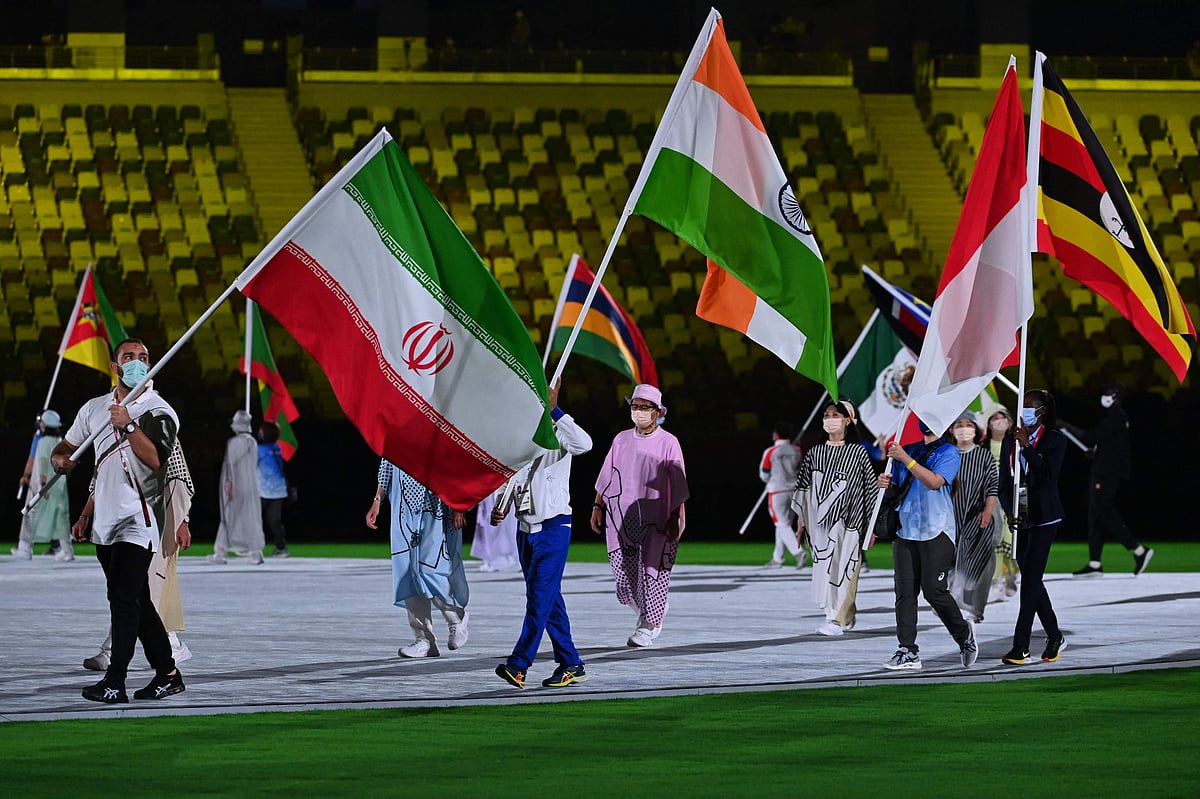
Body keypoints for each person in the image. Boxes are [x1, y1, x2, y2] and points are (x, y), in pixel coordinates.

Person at [51, 337, 185, 703]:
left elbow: (155, 460)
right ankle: (168, 674)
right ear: (115, 366)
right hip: (105, 521)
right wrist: (59, 461)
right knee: (135, 598)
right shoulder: (95, 408)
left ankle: (115, 681)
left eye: (144, 357)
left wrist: (128, 426)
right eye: (129, 356)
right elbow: (67, 448)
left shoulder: (159, 411)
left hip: (139, 518)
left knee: (123, 599)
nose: (137, 362)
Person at [494, 378, 593, 689]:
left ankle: (519, 664)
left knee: (538, 600)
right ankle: (571, 663)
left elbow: (585, 444)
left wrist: (556, 411)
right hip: (525, 530)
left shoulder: (558, 434)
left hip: (553, 528)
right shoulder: (517, 438)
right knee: (549, 599)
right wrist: (501, 505)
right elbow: (510, 480)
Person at [82, 439, 195, 670]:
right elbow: (99, 480)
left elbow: (178, 477)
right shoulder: (107, 434)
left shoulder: (159, 428)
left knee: (142, 583)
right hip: (125, 515)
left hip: (156, 514)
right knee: (131, 585)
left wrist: (182, 520)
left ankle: (114, 651)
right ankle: (170, 642)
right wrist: (85, 515)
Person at [591, 384, 688, 647]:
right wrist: (597, 506)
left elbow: (677, 483)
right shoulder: (621, 439)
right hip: (620, 516)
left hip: (657, 517)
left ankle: (649, 625)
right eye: (635, 406)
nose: (639, 411)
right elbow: (607, 474)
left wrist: (674, 517)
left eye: (645, 407)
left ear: (657, 411)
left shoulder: (669, 442)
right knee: (624, 579)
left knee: (652, 571)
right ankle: (654, 608)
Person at [877, 418, 977, 671]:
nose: (927, 423)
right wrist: (885, 485)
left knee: (934, 591)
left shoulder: (949, 452)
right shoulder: (907, 449)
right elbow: (897, 489)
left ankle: (963, 634)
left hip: (937, 528)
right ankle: (908, 650)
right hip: (906, 528)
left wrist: (906, 459)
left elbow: (934, 482)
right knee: (904, 592)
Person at [791, 400, 877, 636]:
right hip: (820, 524)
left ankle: (836, 620)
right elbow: (804, 488)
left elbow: (869, 489)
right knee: (826, 570)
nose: (830, 419)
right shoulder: (815, 453)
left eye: (835, 415)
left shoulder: (857, 453)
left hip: (851, 523)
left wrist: (872, 525)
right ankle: (842, 614)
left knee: (847, 570)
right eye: (826, 415)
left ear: (847, 420)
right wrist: (801, 522)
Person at [366, 461, 469, 658]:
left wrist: (459, 503)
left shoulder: (440, 438)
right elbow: (387, 465)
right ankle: (424, 639)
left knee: (430, 569)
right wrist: (377, 500)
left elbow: (455, 463)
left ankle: (456, 618)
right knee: (408, 573)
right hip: (403, 508)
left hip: (436, 505)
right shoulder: (395, 439)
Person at [998, 390, 1068, 665]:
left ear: (1042, 411)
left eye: (1030, 407)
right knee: (1032, 580)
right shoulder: (1009, 440)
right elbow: (1004, 482)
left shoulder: (1054, 440)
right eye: (1022, 406)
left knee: (1029, 581)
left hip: (1045, 517)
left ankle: (1021, 646)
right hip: (1021, 518)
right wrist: (1010, 512)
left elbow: (1048, 476)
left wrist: (1027, 447)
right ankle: (1055, 635)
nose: (1025, 411)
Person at [1062, 383, 1153, 577]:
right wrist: (1096, 452)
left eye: (1109, 393)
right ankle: (1095, 563)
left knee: (1104, 512)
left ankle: (1139, 550)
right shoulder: (1116, 418)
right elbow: (1109, 444)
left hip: (1106, 473)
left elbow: (1091, 437)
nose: (1105, 396)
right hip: (1104, 470)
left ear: (1117, 397)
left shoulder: (1116, 417)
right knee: (1095, 515)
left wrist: (1067, 427)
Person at [947, 412, 999, 623]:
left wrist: (988, 511)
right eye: (959, 424)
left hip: (976, 516)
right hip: (949, 516)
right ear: (952, 430)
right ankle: (950, 602)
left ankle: (975, 608)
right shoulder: (947, 454)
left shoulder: (984, 456)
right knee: (949, 560)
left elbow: (992, 486)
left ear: (976, 430)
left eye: (969, 424)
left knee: (979, 560)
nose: (964, 428)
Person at [13, 410, 74, 561]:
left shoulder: (42, 442)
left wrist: (43, 485)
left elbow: (41, 462)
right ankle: (67, 551)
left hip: (43, 486)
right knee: (61, 517)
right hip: (59, 485)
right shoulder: (60, 441)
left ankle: (25, 548)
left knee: (30, 513)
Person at [209, 410, 264, 565]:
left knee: (228, 517)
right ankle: (256, 552)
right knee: (251, 517)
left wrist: (229, 484)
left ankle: (220, 552)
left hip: (236, 486)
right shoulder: (253, 442)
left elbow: (230, 466)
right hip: (251, 486)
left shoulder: (235, 442)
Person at [760, 421, 806, 569]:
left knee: (781, 524)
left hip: (777, 491)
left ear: (775, 434)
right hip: (793, 491)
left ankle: (798, 552)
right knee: (783, 525)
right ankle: (777, 558)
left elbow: (764, 474)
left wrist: (773, 479)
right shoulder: (797, 450)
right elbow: (799, 468)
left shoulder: (771, 451)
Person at [985, 410, 1020, 602]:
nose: (999, 421)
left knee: (1010, 538)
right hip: (990, 499)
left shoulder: (1016, 445)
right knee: (995, 539)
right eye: (995, 418)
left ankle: (1012, 573)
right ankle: (997, 581)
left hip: (1011, 498)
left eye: (1003, 418)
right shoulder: (983, 446)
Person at [257, 421, 290, 558]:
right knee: (275, 521)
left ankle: (252, 547)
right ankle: (281, 548)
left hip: (264, 490)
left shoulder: (259, 449)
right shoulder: (277, 448)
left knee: (255, 520)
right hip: (279, 490)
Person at [470, 489, 519, 572]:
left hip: (501, 488)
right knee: (489, 520)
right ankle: (493, 557)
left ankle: (505, 556)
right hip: (490, 490)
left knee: (504, 522)